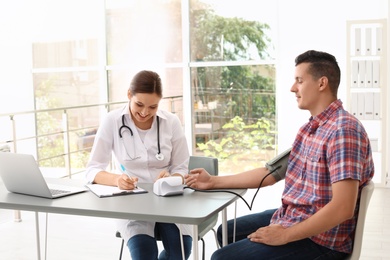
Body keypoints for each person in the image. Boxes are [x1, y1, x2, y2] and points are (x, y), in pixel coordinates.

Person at [185, 50, 374, 260]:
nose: (293, 88)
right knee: (226, 232)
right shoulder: (309, 130)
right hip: (296, 216)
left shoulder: (343, 131)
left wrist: (285, 235)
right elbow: (269, 173)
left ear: (322, 83)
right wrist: (212, 181)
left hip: (322, 241)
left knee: (222, 257)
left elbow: (342, 208)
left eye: (299, 81)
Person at [85, 70, 192, 260]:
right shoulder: (112, 121)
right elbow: (93, 169)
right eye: (139, 104)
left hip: (168, 200)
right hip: (133, 204)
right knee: (144, 254)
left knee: (179, 252)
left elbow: (181, 168)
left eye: (153, 107)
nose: (144, 112)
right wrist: (117, 180)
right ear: (129, 95)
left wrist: (173, 178)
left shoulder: (171, 123)